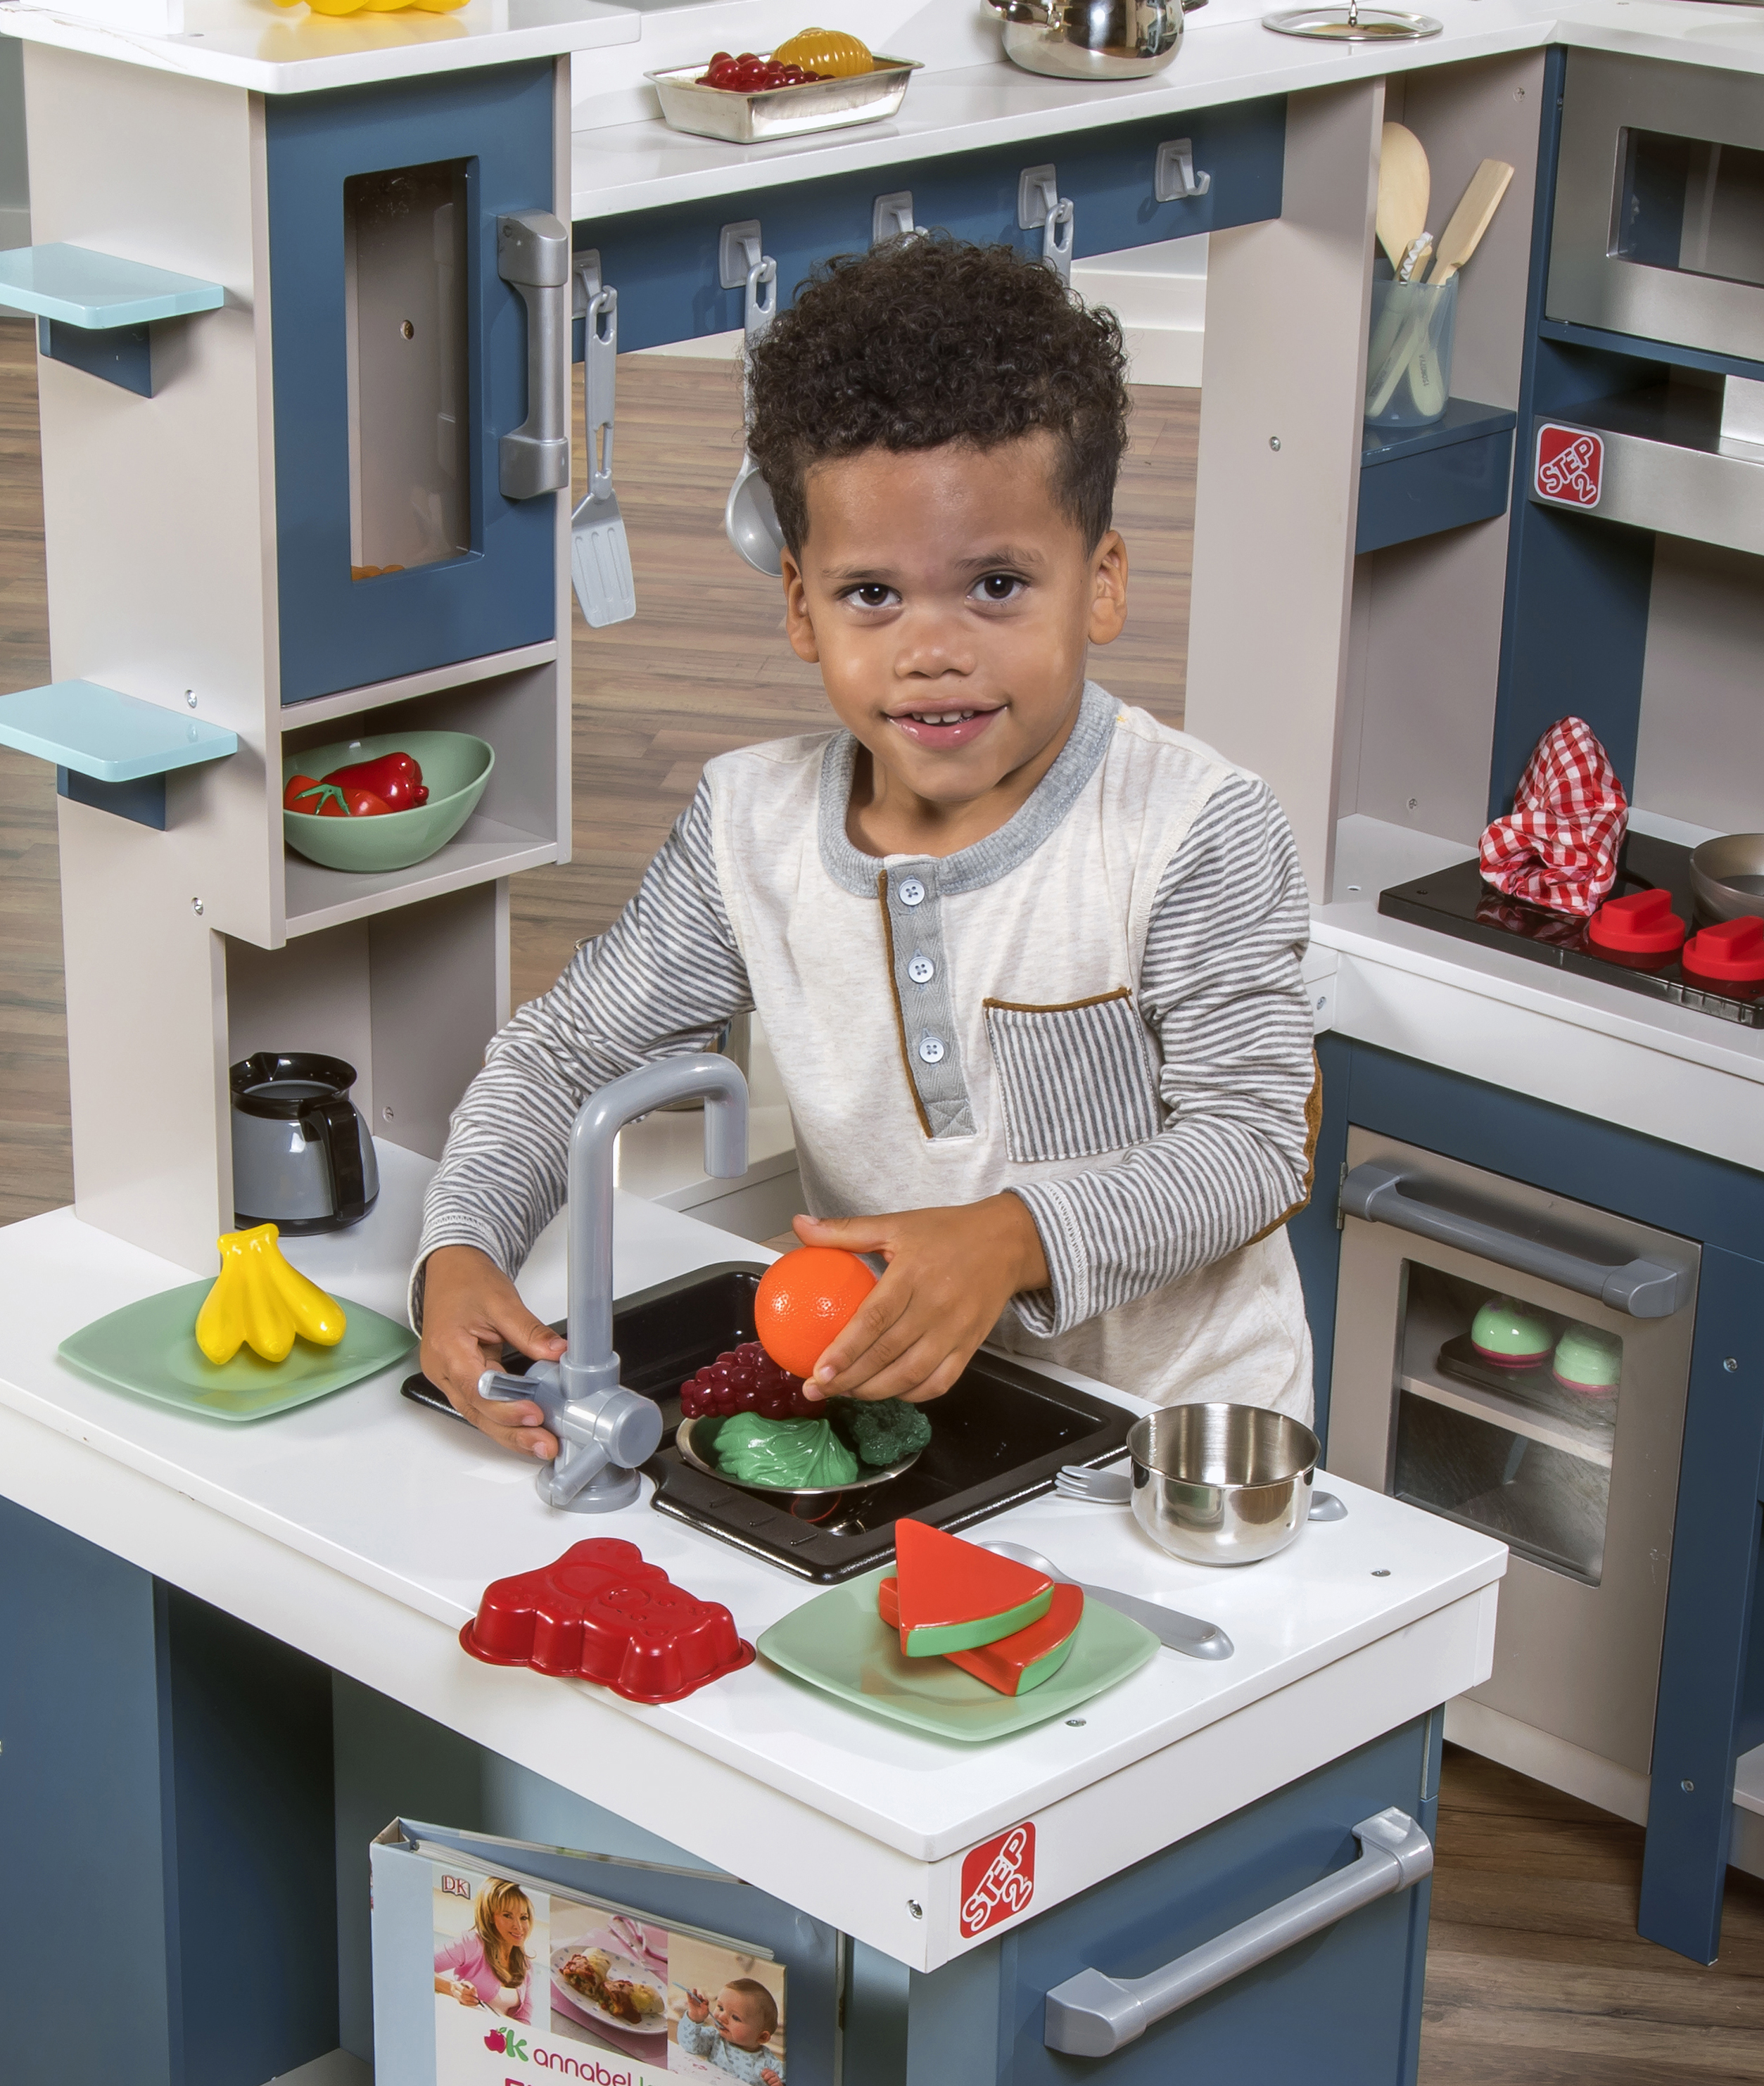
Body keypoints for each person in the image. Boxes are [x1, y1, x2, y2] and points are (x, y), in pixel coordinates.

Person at [416, 236, 1317, 1444]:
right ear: (800, 602)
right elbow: (566, 1057)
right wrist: (461, 1247)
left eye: (997, 585)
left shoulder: (1194, 827)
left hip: (1180, 1443)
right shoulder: (751, 826)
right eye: (873, 594)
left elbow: (1255, 1146)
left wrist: (1013, 1237)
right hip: (912, 1430)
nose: (930, 648)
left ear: (1101, 582)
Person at [433, 1879, 534, 2016]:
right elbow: (419, 1967)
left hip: (500, 2036)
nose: (519, 1926)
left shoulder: (526, 1966)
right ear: (490, 1916)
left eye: (523, 1917)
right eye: (507, 1916)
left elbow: (524, 2015)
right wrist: (452, 1988)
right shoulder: (472, 1943)